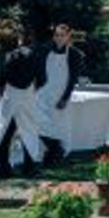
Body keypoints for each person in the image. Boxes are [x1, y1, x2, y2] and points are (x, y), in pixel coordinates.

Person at [0, 23, 46, 176]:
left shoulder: (9, 56)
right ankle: (29, 167)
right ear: (31, 40)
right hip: (27, 96)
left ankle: (4, 167)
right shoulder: (36, 56)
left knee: (5, 130)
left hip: (11, 96)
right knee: (28, 130)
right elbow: (42, 79)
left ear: (19, 39)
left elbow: (2, 78)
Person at [35, 24, 83, 162]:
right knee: (37, 122)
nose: (59, 38)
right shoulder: (45, 51)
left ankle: (53, 154)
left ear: (68, 36)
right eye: (57, 35)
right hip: (43, 94)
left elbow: (73, 79)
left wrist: (65, 98)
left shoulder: (75, 54)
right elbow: (39, 72)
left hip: (60, 96)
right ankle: (55, 149)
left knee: (58, 126)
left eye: (62, 35)